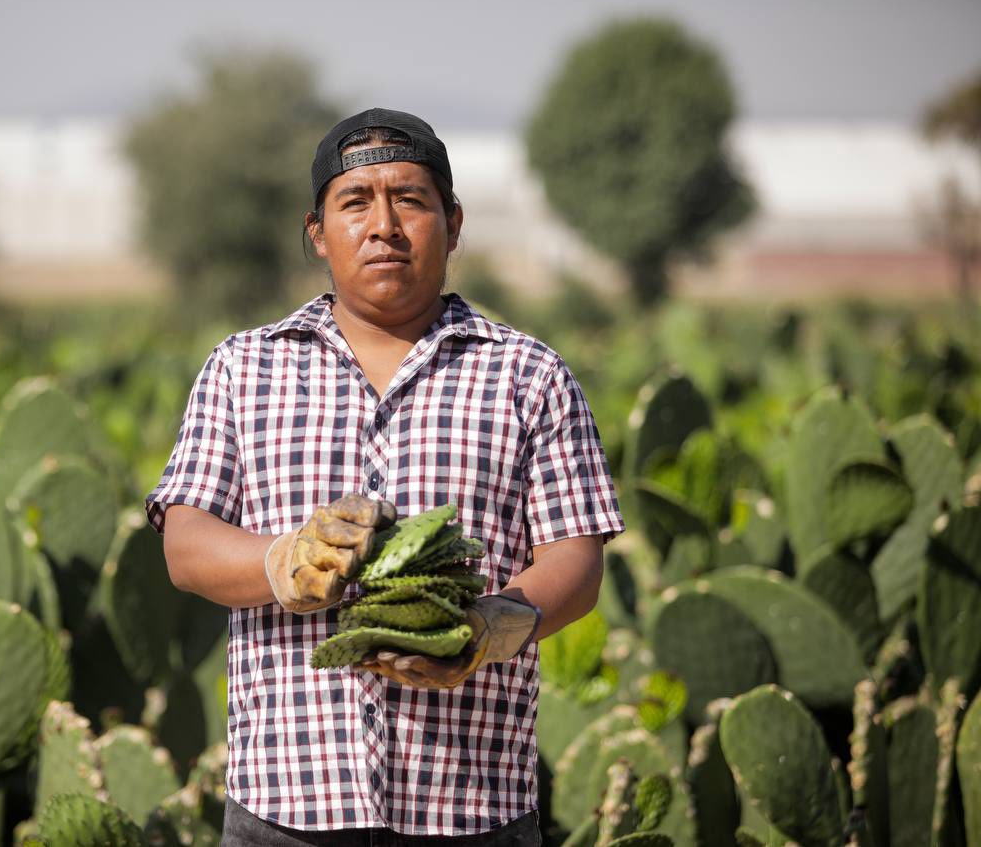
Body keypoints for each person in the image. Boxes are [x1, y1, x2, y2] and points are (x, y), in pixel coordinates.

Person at [146, 108, 624, 845]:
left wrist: (494, 627)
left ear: (453, 223)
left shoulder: (530, 375)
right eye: (356, 201)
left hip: (471, 803)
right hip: (287, 802)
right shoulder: (242, 369)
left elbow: (577, 560)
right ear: (317, 231)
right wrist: (285, 560)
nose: (385, 225)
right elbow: (186, 542)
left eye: (410, 199)